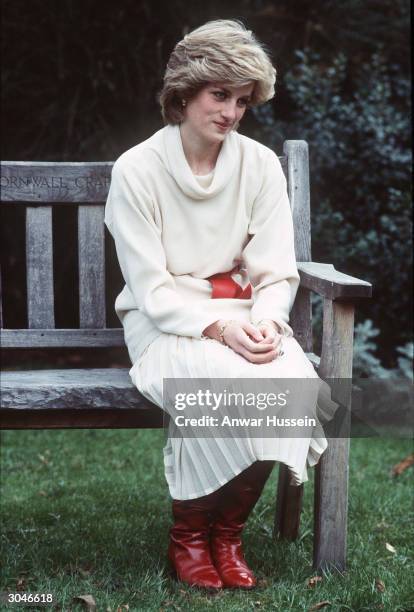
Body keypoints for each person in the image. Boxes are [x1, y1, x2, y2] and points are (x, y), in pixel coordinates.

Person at [104, 19, 329, 590]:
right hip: (165, 322)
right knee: (214, 378)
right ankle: (189, 538)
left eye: (242, 101)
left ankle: (228, 536)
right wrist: (217, 331)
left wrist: (267, 324)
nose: (230, 112)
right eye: (219, 95)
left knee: (287, 378)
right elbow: (152, 292)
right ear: (184, 92)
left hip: (244, 315)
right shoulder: (137, 169)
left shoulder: (259, 165)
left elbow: (276, 270)